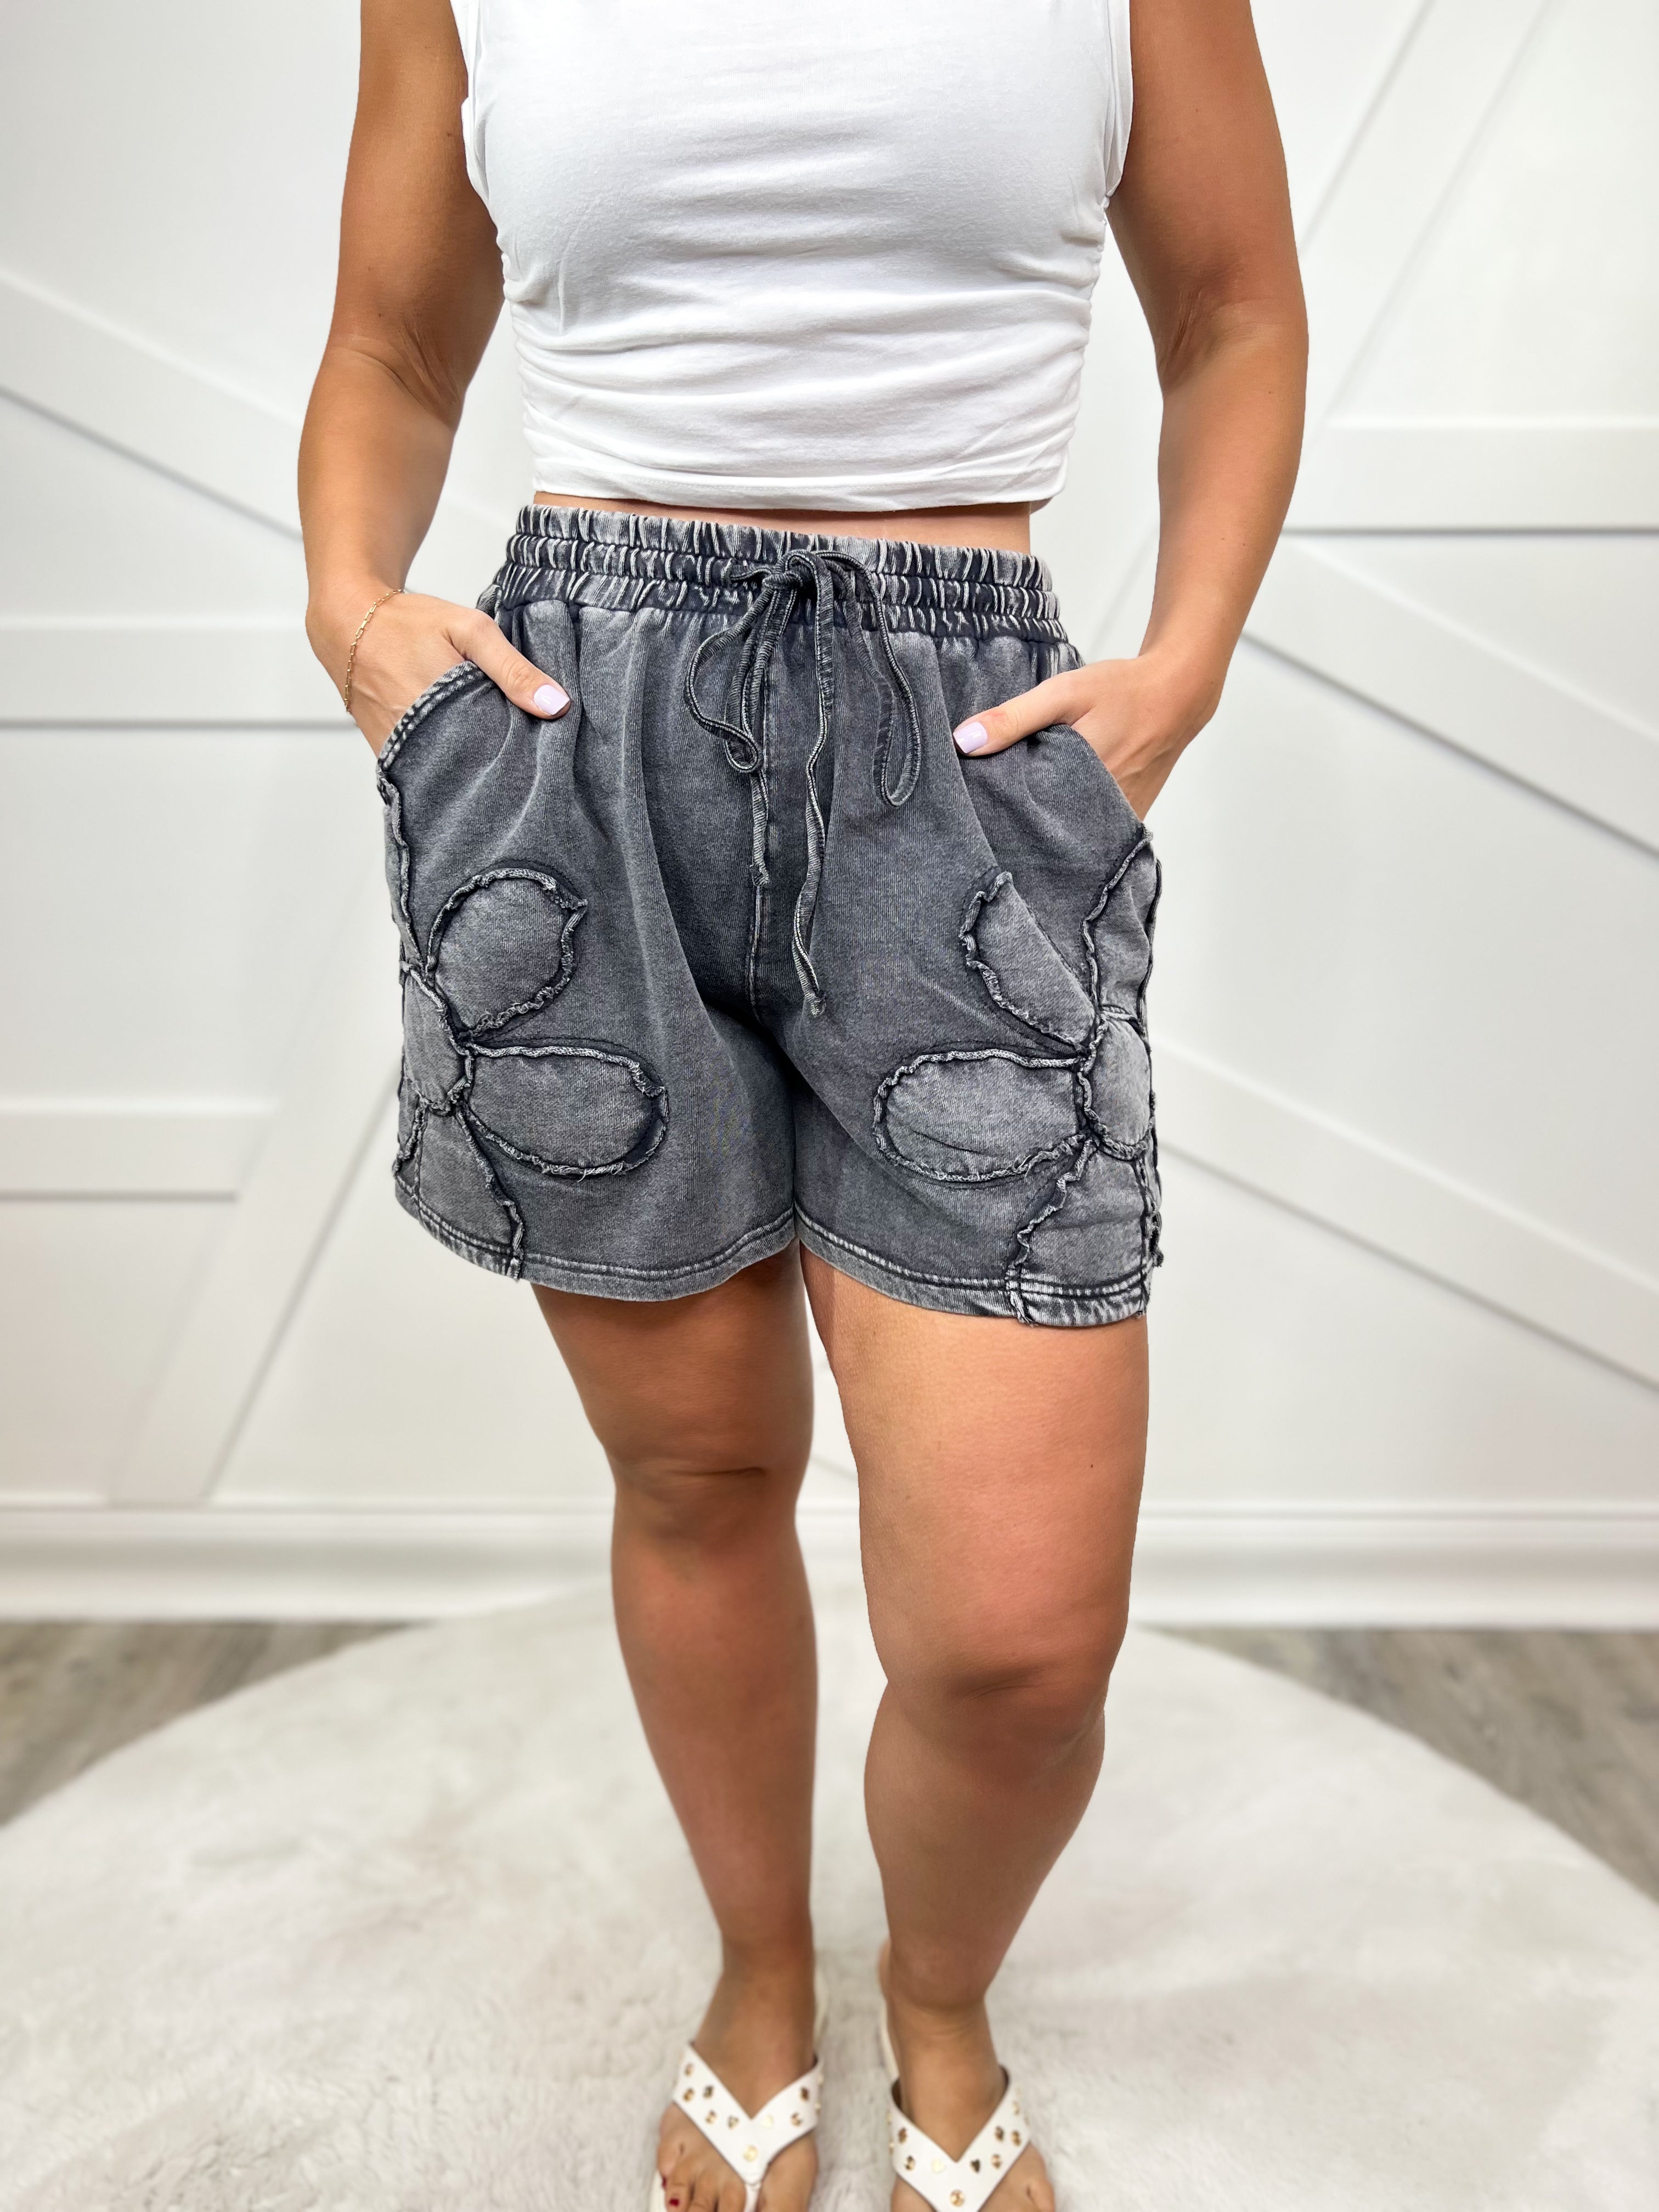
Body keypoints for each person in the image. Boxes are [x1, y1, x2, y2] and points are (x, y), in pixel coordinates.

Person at [298, 2, 1305, 2204]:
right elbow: (391, 341)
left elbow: (1234, 309)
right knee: (700, 1473)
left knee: (1019, 1639)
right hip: (579, 742)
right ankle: (762, 1971)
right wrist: (353, 614)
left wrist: (1185, 664)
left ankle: (940, 1998)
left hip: (967, 742)